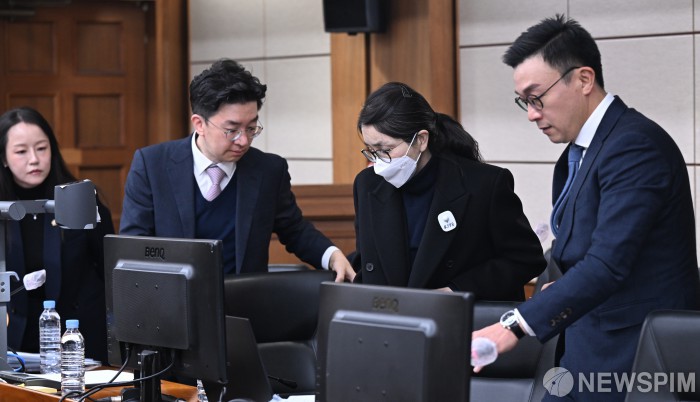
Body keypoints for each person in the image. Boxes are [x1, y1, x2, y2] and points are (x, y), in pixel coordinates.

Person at [473, 15, 700, 402]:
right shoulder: (579, 152)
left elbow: (607, 263)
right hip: (584, 343)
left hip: (634, 356)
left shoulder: (634, 146)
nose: (531, 113)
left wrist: (514, 325)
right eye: (524, 101)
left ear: (583, 79)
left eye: (537, 97)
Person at [120, 59, 354, 282]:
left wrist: (332, 256)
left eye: (251, 128)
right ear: (199, 124)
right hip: (173, 302)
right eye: (232, 130)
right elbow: (133, 246)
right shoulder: (152, 166)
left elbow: (294, 229)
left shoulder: (268, 170)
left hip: (244, 300)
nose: (243, 141)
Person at [351, 81, 545, 299]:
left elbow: (525, 259)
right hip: (392, 314)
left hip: (463, 315)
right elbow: (367, 262)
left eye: (385, 150)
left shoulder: (484, 184)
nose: (378, 161)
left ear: (421, 140)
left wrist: (456, 291)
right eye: (371, 150)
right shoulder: (367, 184)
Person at [0, 107, 114, 362]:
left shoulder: (81, 199)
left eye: (42, 148)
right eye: (21, 151)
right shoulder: (3, 208)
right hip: (15, 337)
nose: (34, 159)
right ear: (4, 158)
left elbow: (110, 270)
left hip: (77, 337)